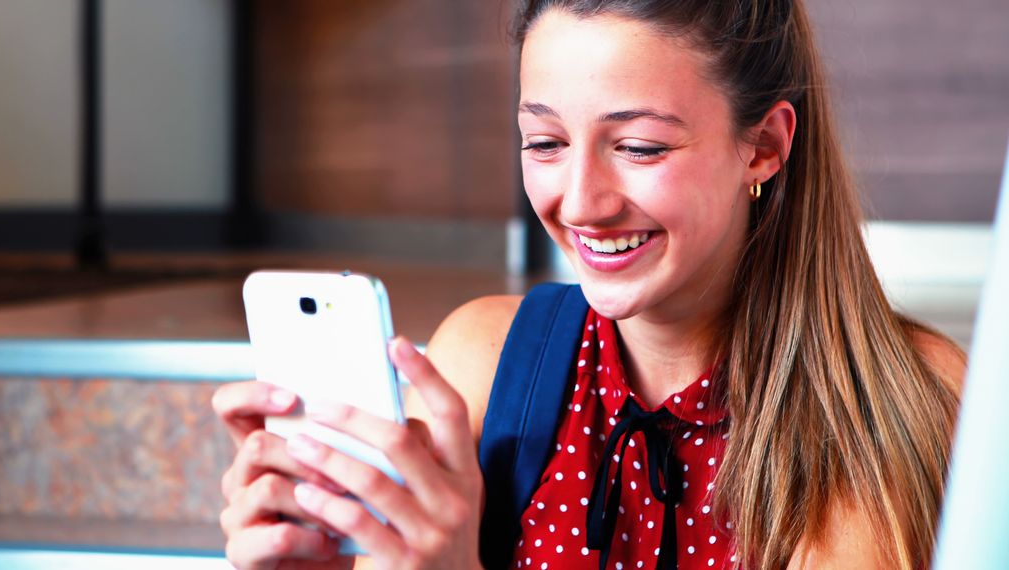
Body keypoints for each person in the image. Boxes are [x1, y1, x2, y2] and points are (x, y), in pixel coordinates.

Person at [212, 0, 966, 568]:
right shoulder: (483, 362)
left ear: (763, 146)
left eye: (638, 146)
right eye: (544, 142)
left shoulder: (900, 403)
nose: (579, 203)